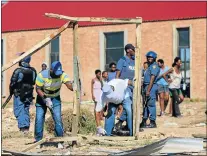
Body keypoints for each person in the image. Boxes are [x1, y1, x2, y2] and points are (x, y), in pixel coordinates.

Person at [34, 61, 75, 148]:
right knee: (39, 118)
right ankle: (38, 141)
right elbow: (38, 89)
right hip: (42, 98)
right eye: (56, 73)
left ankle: (59, 140)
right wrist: (45, 98)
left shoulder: (62, 74)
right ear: (51, 70)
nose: (57, 75)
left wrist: (74, 86)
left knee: (58, 119)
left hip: (55, 98)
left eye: (59, 73)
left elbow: (69, 85)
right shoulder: (42, 75)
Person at [9, 52, 37, 134]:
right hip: (29, 93)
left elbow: (12, 83)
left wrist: (11, 91)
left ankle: (23, 128)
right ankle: (26, 127)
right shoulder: (33, 70)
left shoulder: (18, 71)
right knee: (26, 109)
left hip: (19, 94)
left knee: (19, 110)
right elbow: (34, 81)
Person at [114, 43, 135, 136]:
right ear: (128, 50)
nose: (135, 52)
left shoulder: (134, 61)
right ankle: (130, 130)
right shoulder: (122, 60)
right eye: (133, 50)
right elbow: (117, 75)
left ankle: (123, 123)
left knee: (133, 107)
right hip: (125, 87)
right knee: (128, 107)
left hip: (134, 87)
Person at [140, 51, 160, 128]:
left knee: (151, 104)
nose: (149, 59)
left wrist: (148, 90)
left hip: (151, 86)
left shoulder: (154, 66)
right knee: (145, 105)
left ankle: (152, 122)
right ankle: (144, 121)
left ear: (154, 58)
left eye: (151, 57)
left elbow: (152, 79)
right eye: (148, 57)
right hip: (146, 86)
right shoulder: (149, 66)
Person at [91, 69, 106, 136]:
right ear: (96, 74)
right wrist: (92, 95)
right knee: (96, 106)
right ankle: (97, 116)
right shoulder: (93, 80)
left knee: (101, 106)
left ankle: (101, 116)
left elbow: (102, 86)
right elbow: (91, 88)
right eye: (99, 74)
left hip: (100, 93)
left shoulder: (101, 80)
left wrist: (101, 80)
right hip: (95, 93)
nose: (99, 75)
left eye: (100, 74)